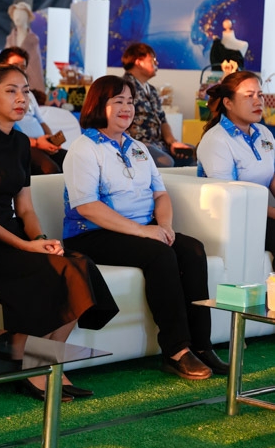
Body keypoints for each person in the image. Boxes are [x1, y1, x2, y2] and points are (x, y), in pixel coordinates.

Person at [0, 64, 117, 400]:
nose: (21, 98)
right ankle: (35, 369)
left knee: (79, 264)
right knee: (55, 271)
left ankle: (43, 363)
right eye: (11, 91)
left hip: (16, 237)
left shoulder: (21, 143)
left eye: (25, 91)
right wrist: (26, 247)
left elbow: (25, 208)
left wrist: (40, 240)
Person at [62, 74, 228, 379]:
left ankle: (202, 346)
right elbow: (87, 207)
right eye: (118, 101)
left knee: (192, 249)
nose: (127, 108)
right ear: (98, 105)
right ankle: (176, 350)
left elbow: (160, 194)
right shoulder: (83, 148)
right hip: (92, 235)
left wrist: (164, 226)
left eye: (130, 101)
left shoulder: (137, 147)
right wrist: (144, 232)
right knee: (159, 254)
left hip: (141, 229)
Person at [197, 71, 275, 253]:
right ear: (228, 103)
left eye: (260, 95)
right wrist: (273, 212)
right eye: (249, 96)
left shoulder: (263, 133)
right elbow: (230, 196)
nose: (258, 102)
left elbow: (272, 177)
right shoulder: (217, 140)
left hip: (260, 214)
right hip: (232, 217)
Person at [122, 42, 193, 167]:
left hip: (157, 144)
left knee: (193, 153)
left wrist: (172, 143)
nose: (157, 63)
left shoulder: (152, 90)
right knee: (166, 162)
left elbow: (162, 119)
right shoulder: (123, 87)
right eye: (153, 60)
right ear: (139, 62)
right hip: (134, 146)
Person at [0, 47, 65, 174]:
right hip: (21, 145)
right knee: (50, 170)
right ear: (1, 67)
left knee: (72, 162)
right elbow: (5, 131)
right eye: (15, 66)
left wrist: (50, 140)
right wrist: (37, 143)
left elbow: (41, 122)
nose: (19, 70)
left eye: (23, 67)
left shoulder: (29, 94)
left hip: (41, 143)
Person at [5, 2, 45, 93]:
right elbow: (5, 60)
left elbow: (35, 66)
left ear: (27, 17)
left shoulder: (33, 40)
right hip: (12, 79)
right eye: (15, 15)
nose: (17, 18)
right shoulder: (10, 39)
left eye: (21, 15)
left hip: (29, 82)